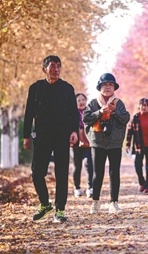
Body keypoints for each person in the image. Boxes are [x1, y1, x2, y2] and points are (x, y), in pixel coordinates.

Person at [23, 55, 79, 223]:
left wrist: (74, 131)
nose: (56, 69)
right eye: (52, 66)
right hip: (42, 135)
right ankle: (45, 204)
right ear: (44, 69)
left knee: (61, 174)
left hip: (62, 135)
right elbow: (29, 113)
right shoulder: (36, 88)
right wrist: (26, 135)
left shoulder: (67, 88)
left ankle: (60, 210)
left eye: (58, 66)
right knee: (37, 173)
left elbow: (74, 113)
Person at [83, 73, 130, 214]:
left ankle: (114, 202)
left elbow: (126, 118)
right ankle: (95, 202)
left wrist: (114, 112)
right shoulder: (93, 103)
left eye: (110, 85)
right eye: (105, 85)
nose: (108, 87)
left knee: (114, 172)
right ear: (100, 87)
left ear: (114, 87)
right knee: (98, 173)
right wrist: (99, 112)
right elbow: (85, 118)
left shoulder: (118, 103)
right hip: (97, 142)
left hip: (115, 142)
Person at [126, 98, 148, 194]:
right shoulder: (135, 118)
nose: (144, 107)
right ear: (139, 106)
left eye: (146, 105)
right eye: (142, 105)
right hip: (139, 145)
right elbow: (129, 132)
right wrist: (128, 144)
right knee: (137, 165)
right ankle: (142, 182)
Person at [72, 93, 94, 198]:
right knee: (77, 167)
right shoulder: (72, 114)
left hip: (89, 143)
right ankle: (77, 188)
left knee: (88, 164)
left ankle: (90, 187)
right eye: (78, 100)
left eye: (83, 100)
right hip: (76, 144)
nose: (81, 102)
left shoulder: (90, 112)